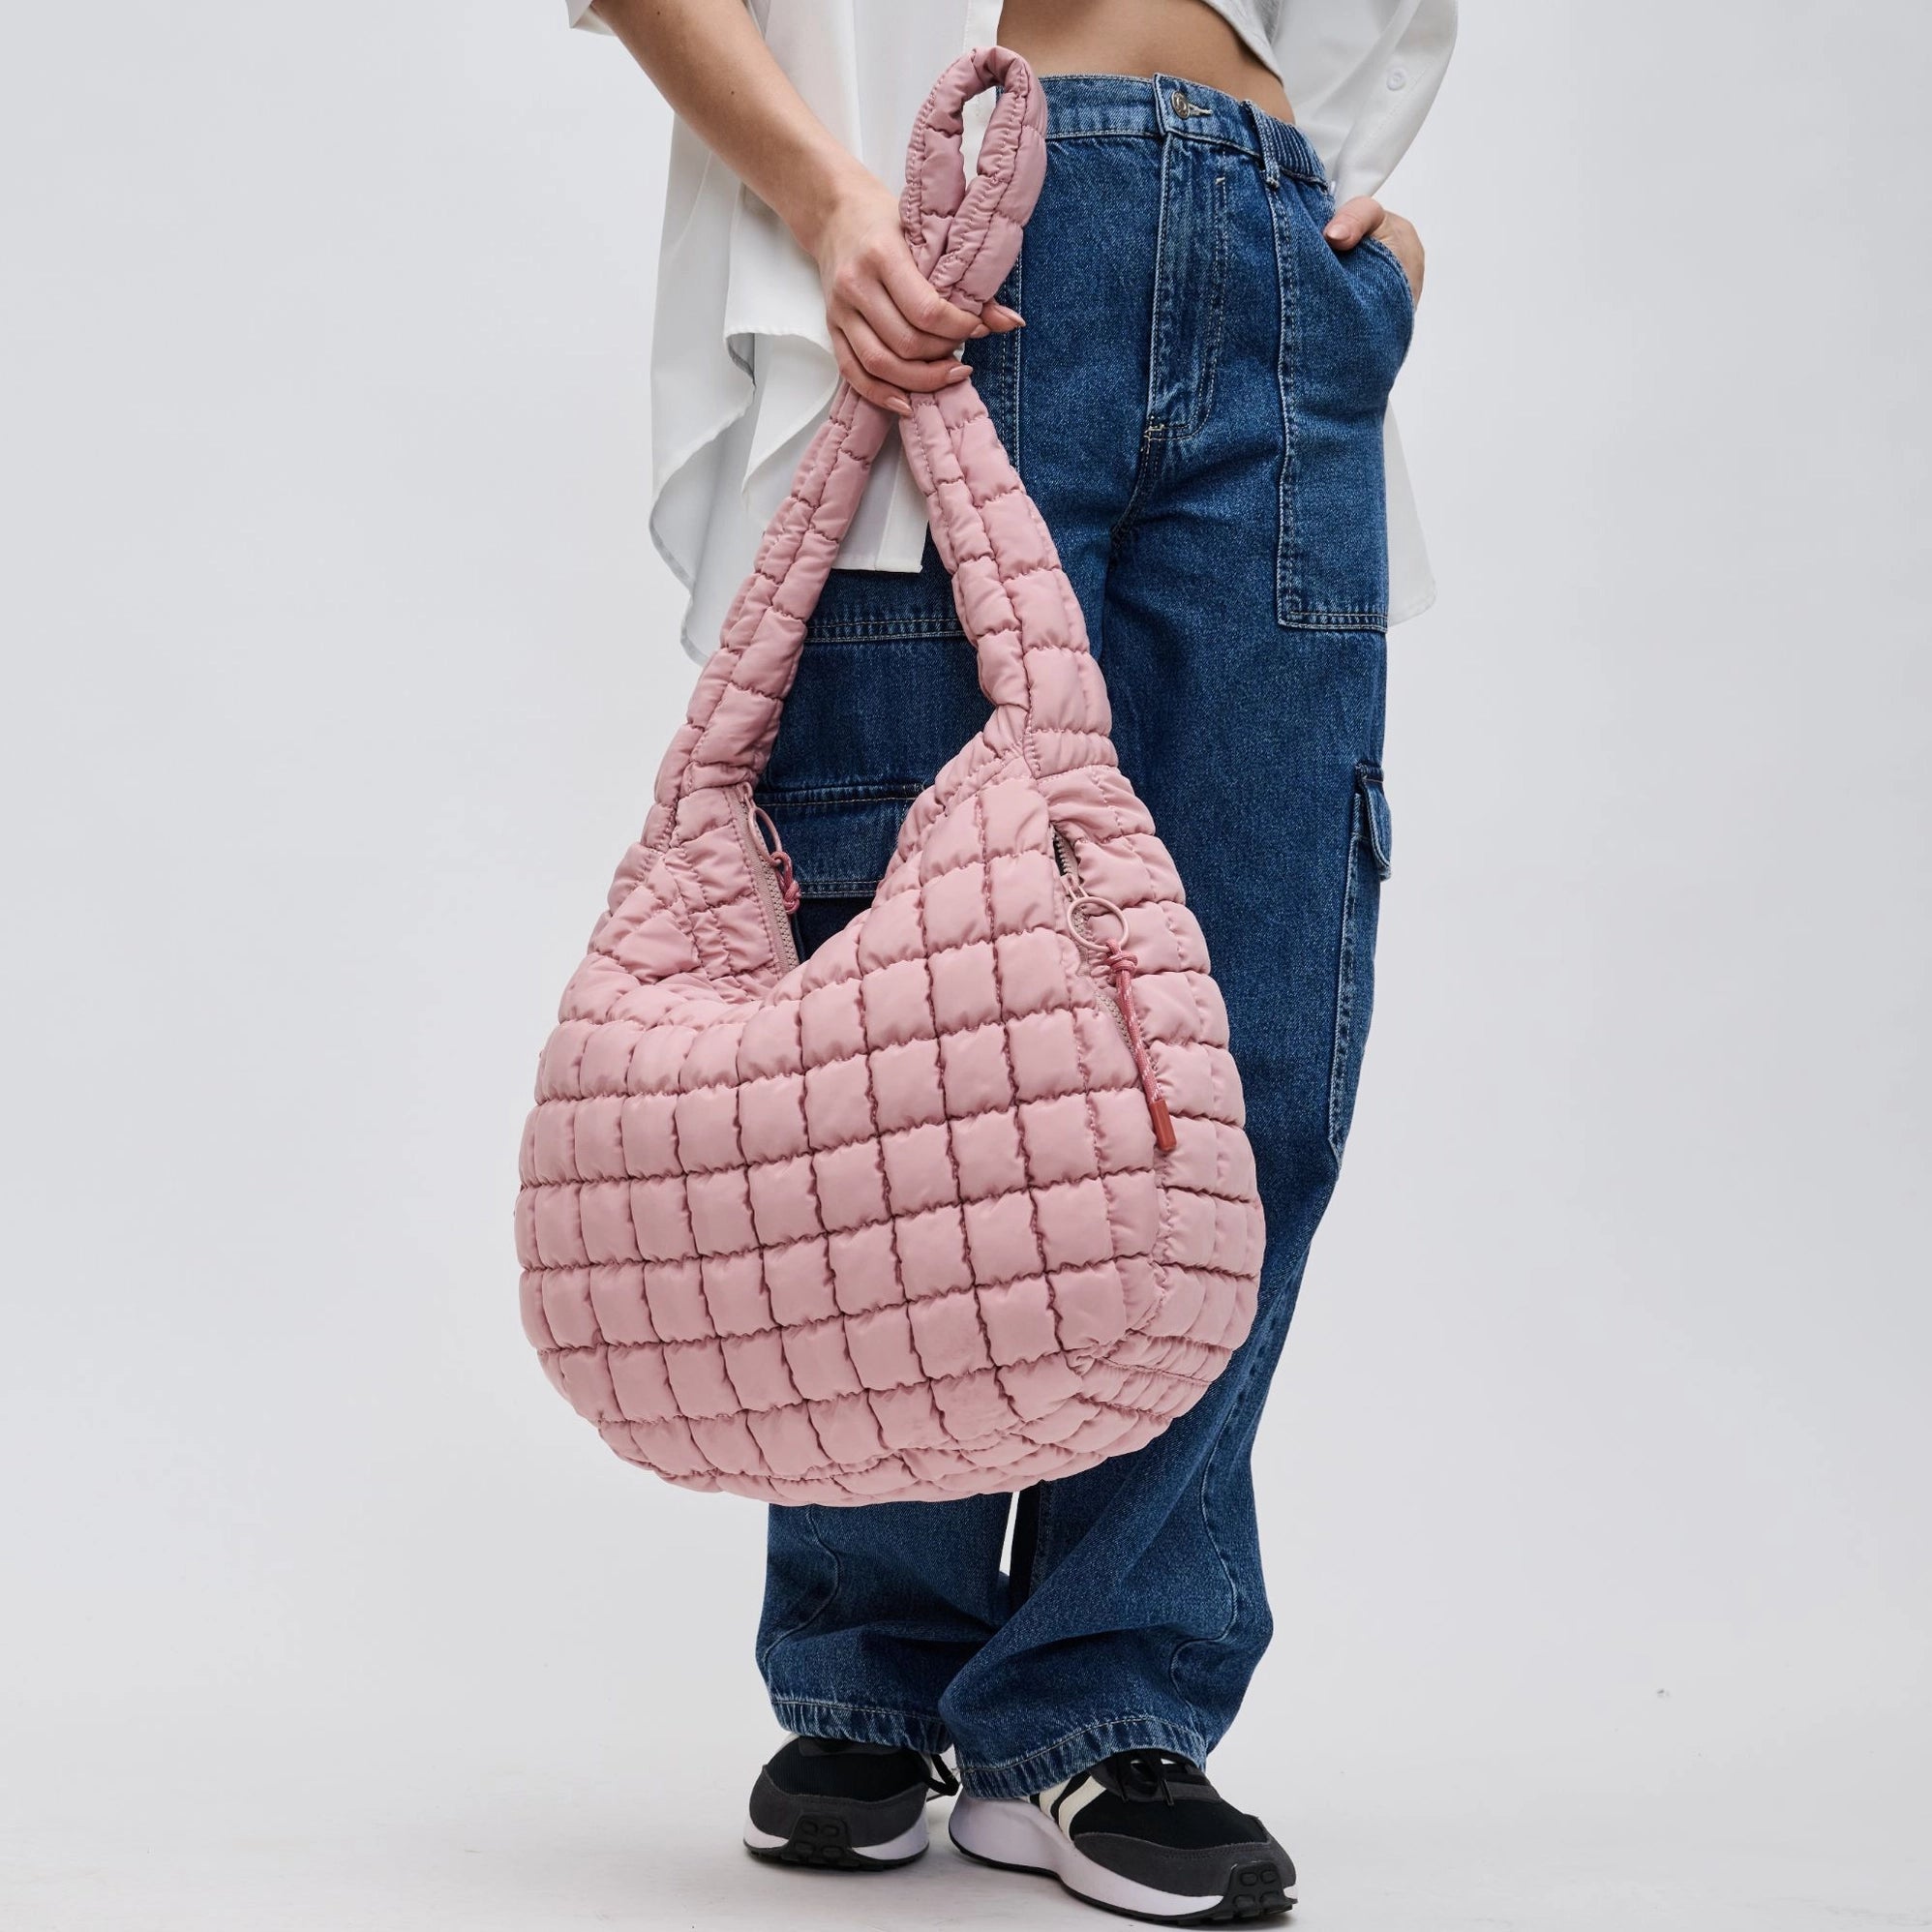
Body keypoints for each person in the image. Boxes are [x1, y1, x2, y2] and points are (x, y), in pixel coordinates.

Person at [559, 0, 1454, 1919]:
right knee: (911, 1065)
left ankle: (1108, 1698)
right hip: (939, 227)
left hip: (1269, 260)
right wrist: (822, 201)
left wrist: (1355, 243)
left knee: (1248, 1058)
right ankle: (873, 1664)